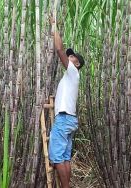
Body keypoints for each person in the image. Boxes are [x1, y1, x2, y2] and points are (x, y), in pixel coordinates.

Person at [48, 31, 85, 188]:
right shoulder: (69, 78)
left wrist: (54, 28)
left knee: (56, 158)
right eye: (69, 56)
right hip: (69, 120)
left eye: (72, 57)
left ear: (76, 64)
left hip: (63, 120)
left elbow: (59, 50)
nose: (69, 57)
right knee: (65, 158)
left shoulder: (73, 72)